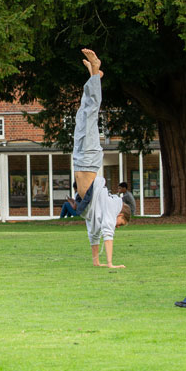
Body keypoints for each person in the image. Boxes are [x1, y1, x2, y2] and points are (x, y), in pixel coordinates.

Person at [71, 48, 131, 268]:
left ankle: (94, 77)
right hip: (89, 160)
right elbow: (107, 232)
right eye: (120, 223)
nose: (116, 226)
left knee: (82, 115)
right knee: (90, 113)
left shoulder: (95, 214)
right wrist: (111, 263)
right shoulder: (113, 206)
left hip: (80, 160)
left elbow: (93, 234)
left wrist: (97, 262)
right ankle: (95, 70)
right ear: (121, 213)